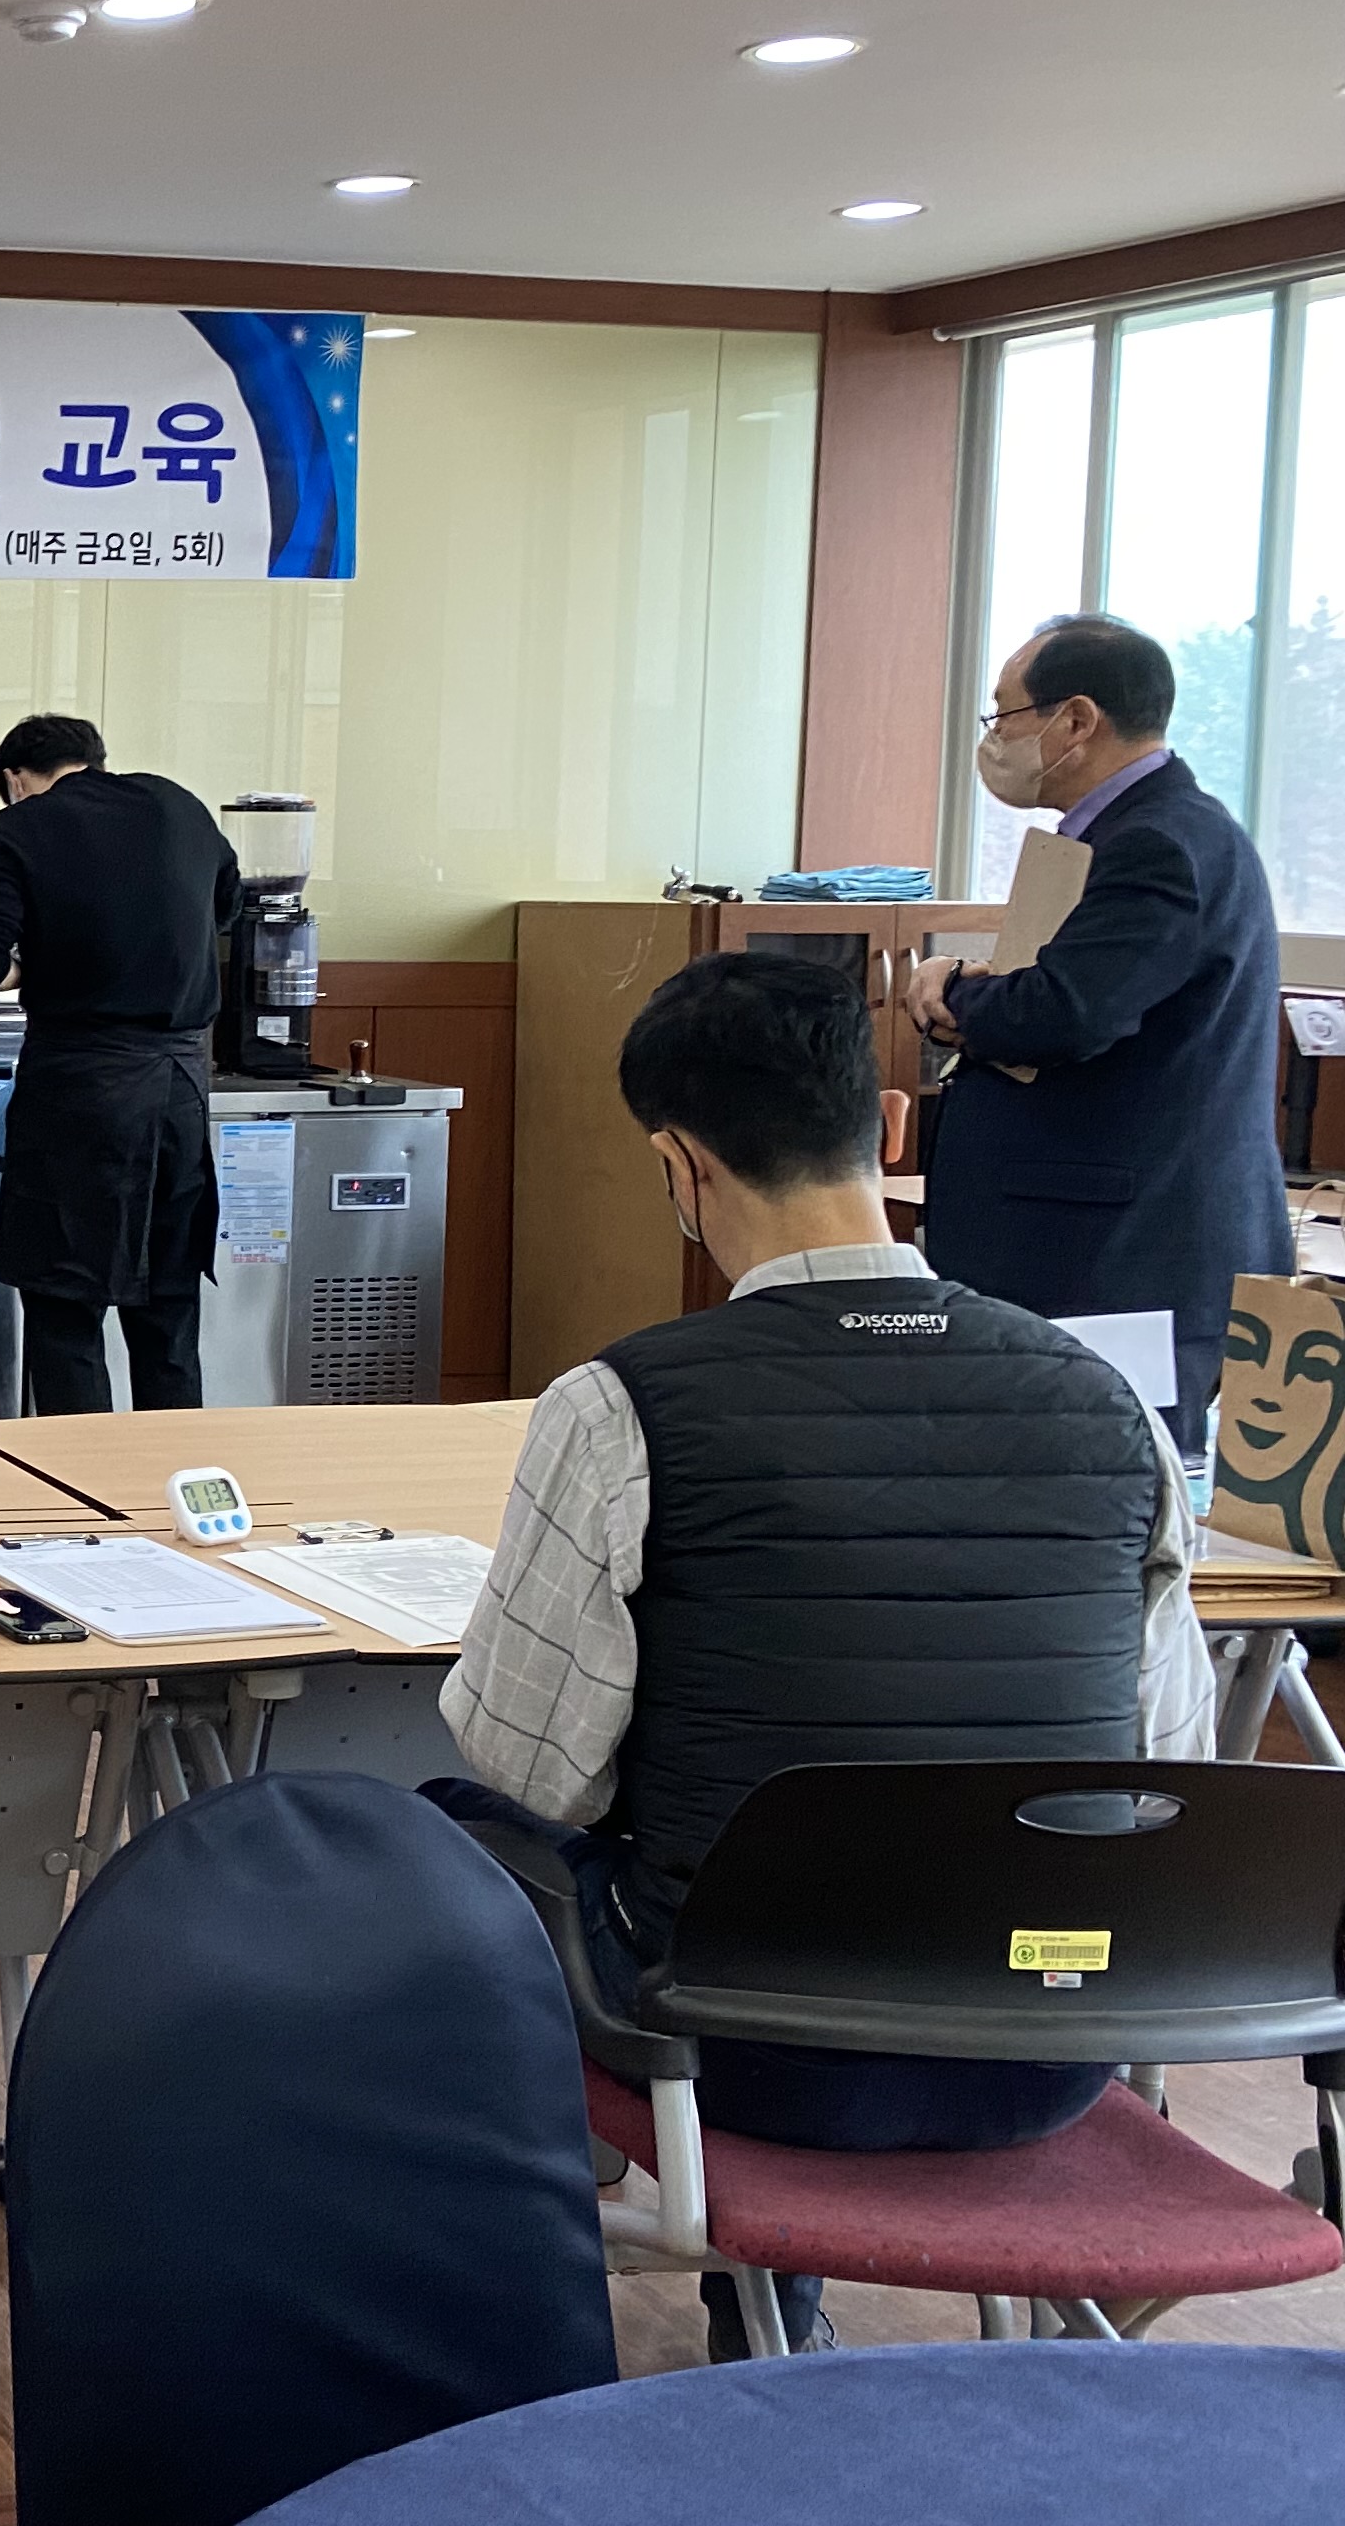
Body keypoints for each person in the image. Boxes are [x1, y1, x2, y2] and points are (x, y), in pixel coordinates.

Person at [439, 951, 1211, 2359]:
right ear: (891, 1125)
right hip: (1048, 2043)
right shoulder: (1108, 1405)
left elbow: (532, 1767)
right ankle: (773, 2304)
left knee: (453, 1820)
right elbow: (1168, 1766)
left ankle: (528, 2305)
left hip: (754, 2059)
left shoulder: (623, 1408)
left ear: (679, 1165)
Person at [906, 611, 1292, 1453]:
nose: (995, 739)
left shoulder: (1156, 843)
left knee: (1106, 1487)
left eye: (1005, 714)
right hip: (1102, 1243)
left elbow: (1067, 1012)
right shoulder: (1143, 833)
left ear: (1076, 721)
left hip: (1119, 1257)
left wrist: (954, 992)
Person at [0, 713, 240, 1413]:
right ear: (95, 760)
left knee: (65, 1307)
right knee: (167, 1306)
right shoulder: (178, 806)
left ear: (16, 780)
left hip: (81, 1091)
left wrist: (38, 969)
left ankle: (80, 1478)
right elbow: (226, 907)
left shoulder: (17, 829)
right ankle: (176, 1469)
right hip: (179, 1086)